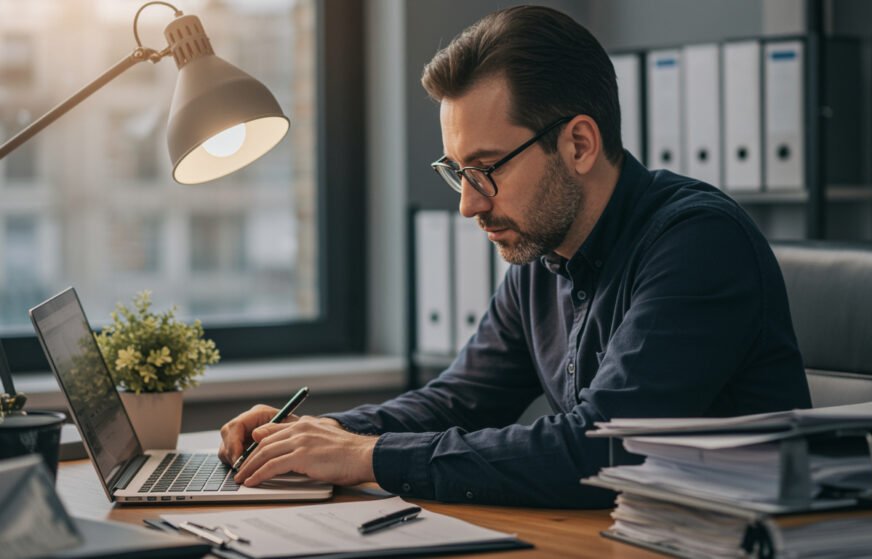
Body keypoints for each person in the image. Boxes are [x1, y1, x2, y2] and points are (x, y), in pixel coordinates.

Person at [219, 5, 811, 508]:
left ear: (579, 144)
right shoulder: (543, 253)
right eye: (458, 173)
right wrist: (321, 434)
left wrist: (367, 456)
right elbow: (460, 400)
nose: (469, 205)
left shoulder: (697, 243)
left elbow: (602, 447)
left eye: (487, 169)